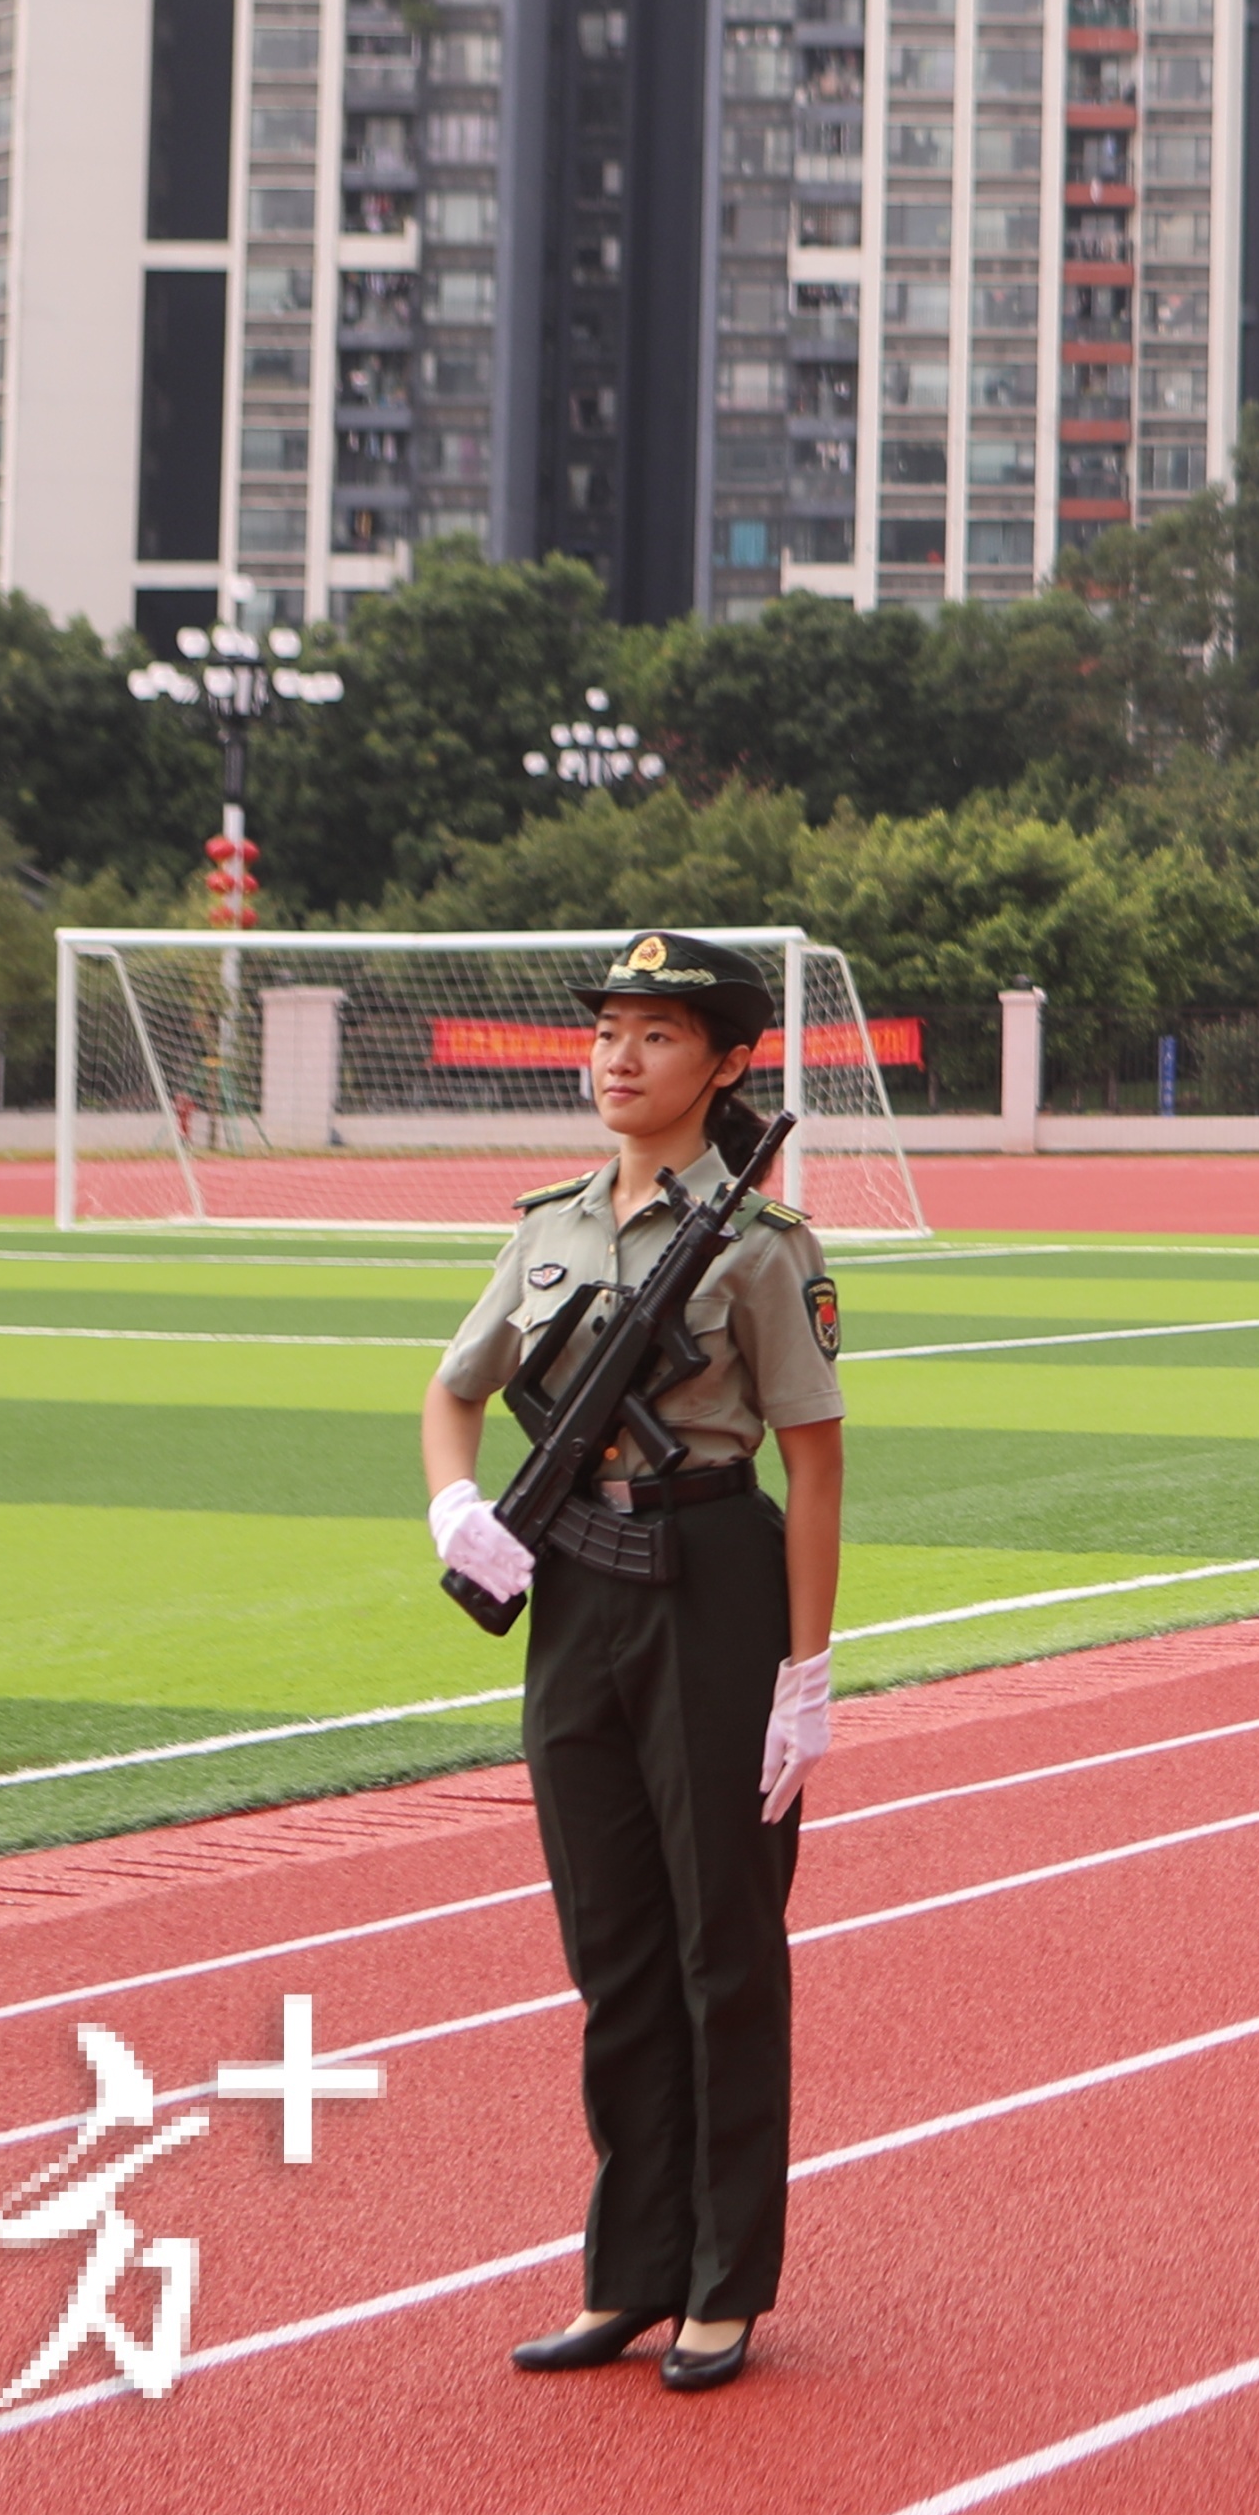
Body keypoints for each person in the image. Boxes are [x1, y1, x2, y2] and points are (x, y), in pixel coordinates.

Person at [427, 933, 846, 2397]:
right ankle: (629, 2270)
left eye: (659, 1035)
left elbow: (815, 1457)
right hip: (574, 1600)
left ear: (727, 1062)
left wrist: (807, 1670)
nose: (621, 1058)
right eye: (609, 1031)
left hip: (713, 1580)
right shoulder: (546, 1229)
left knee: (721, 1944)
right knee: (612, 1950)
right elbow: (455, 1386)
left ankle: (726, 2284)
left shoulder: (759, 1247)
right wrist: (455, 1502)